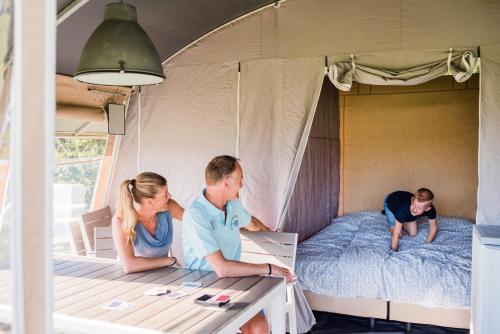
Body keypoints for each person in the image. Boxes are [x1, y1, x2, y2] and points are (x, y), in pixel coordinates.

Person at [183, 155, 293, 334]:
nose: (242, 185)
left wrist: (277, 240)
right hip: (204, 288)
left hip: (233, 283)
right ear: (227, 183)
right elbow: (222, 269)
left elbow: (252, 224)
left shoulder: (232, 203)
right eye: (240, 180)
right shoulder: (196, 214)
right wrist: (268, 268)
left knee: (259, 328)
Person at [112, 172, 184, 273]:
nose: (170, 196)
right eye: (165, 194)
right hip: (131, 277)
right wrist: (168, 260)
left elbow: (195, 221)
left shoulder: (169, 207)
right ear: (150, 202)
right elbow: (129, 266)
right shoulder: (121, 220)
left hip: (163, 273)